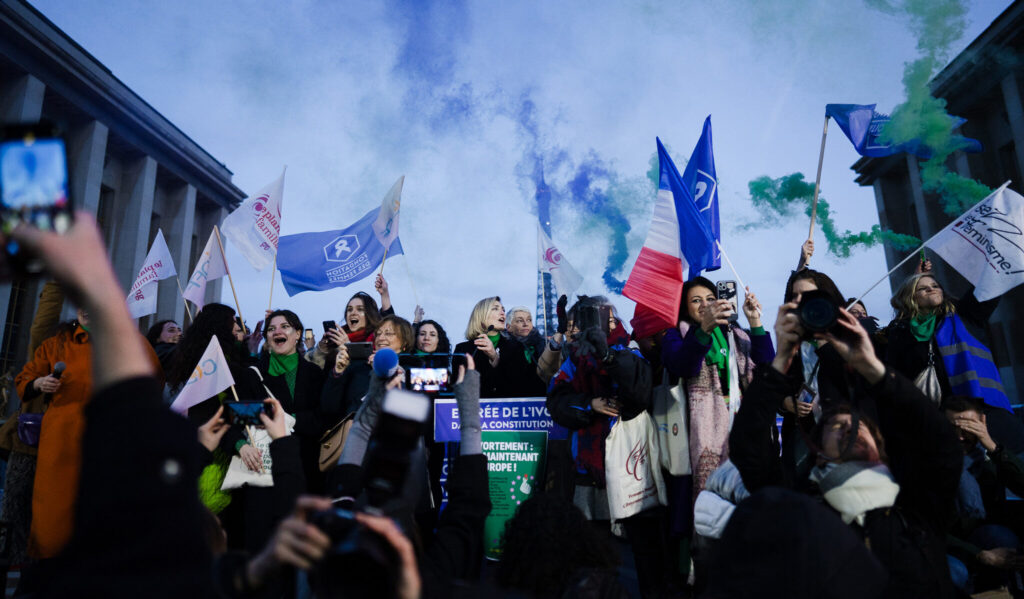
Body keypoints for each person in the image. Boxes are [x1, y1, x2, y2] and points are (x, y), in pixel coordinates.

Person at [728, 304, 962, 598]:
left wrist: (871, 367)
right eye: (835, 428)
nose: (849, 429)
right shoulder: (799, 509)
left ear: (881, 447)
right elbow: (747, 446)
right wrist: (782, 359)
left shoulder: (915, 504)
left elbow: (942, 442)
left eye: (859, 427)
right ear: (819, 453)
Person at [16, 307, 160, 565]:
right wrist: (39, 384)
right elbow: (26, 377)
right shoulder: (56, 343)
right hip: (61, 441)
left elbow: (153, 380)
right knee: (53, 512)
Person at [545, 296, 668, 598]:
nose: (602, 324)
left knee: (643, 554)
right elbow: (556, 403)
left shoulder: (630, 348)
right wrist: (589, 404)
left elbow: (640, 394)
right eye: (592, 318)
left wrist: (608, 356)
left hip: (631, 466)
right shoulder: (573, 357)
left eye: (605, 317)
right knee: (593, 554)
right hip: (588, 471)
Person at [880, 261, 1024, 453]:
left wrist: (999, 252)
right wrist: (915, 279)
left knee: (1011, 471)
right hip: (940, 424)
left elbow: (989, 284)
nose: (931, 290)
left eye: (935, 286)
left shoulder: (965, 315)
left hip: (988, 414)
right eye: (923, 289)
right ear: (910, 298)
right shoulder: (901, 333)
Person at [661, 276, 774, 494]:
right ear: (685, 307)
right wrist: (703, 330)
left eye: (710, 298)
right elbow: (684, 366)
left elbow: (768, 367)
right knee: (714, 499)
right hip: (701, 432)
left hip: (745, 425)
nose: (705, 305)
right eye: (696, 301)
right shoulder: (677, 336)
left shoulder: (738, 334)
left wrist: (755, 322)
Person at [942, 395, 1024, 594]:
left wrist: (993, 447)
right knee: (956, 572)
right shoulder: (929, 461)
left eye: (968, 429)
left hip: (980, 534)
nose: (961, 437)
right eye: (954, 429)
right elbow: (927, 527)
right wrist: (979, 554)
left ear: (982, 424)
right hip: (944, 543)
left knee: (1002, 537)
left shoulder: (985, 458)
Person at [258, 309, 326, 494]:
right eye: (271, 329)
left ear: (297, 334)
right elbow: (243, 415)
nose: (277, 331)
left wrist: (289, 419)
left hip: (305, 465)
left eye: (285, 326)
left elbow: (322, 416)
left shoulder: (314, 373)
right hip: (265, 468)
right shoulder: (254, 373)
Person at [320, 315, 413, 429]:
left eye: (388, 333)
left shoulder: (412, 371)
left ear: (405, 342)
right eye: (378, 334)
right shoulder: (357, 366)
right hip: (355, 437)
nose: (381, 338)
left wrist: (381, 370)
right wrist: (338, 372)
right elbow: (328, 408)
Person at [453, 296, 545, 397]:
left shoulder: (517, 346)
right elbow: (458, 387)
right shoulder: (463, 349)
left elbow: (519, 384)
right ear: (481, 315)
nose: (502, 313)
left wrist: (495, 358)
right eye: (495, 309)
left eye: (503, 309)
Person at [304, 274, 395, 369]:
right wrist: (321, 350)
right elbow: (315, 372)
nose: (353, 313)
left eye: (360, 309)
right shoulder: (337, 340)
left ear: (370, 315)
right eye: (349, 309)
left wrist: (385, 295)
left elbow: (363, 373)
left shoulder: (377, 339)